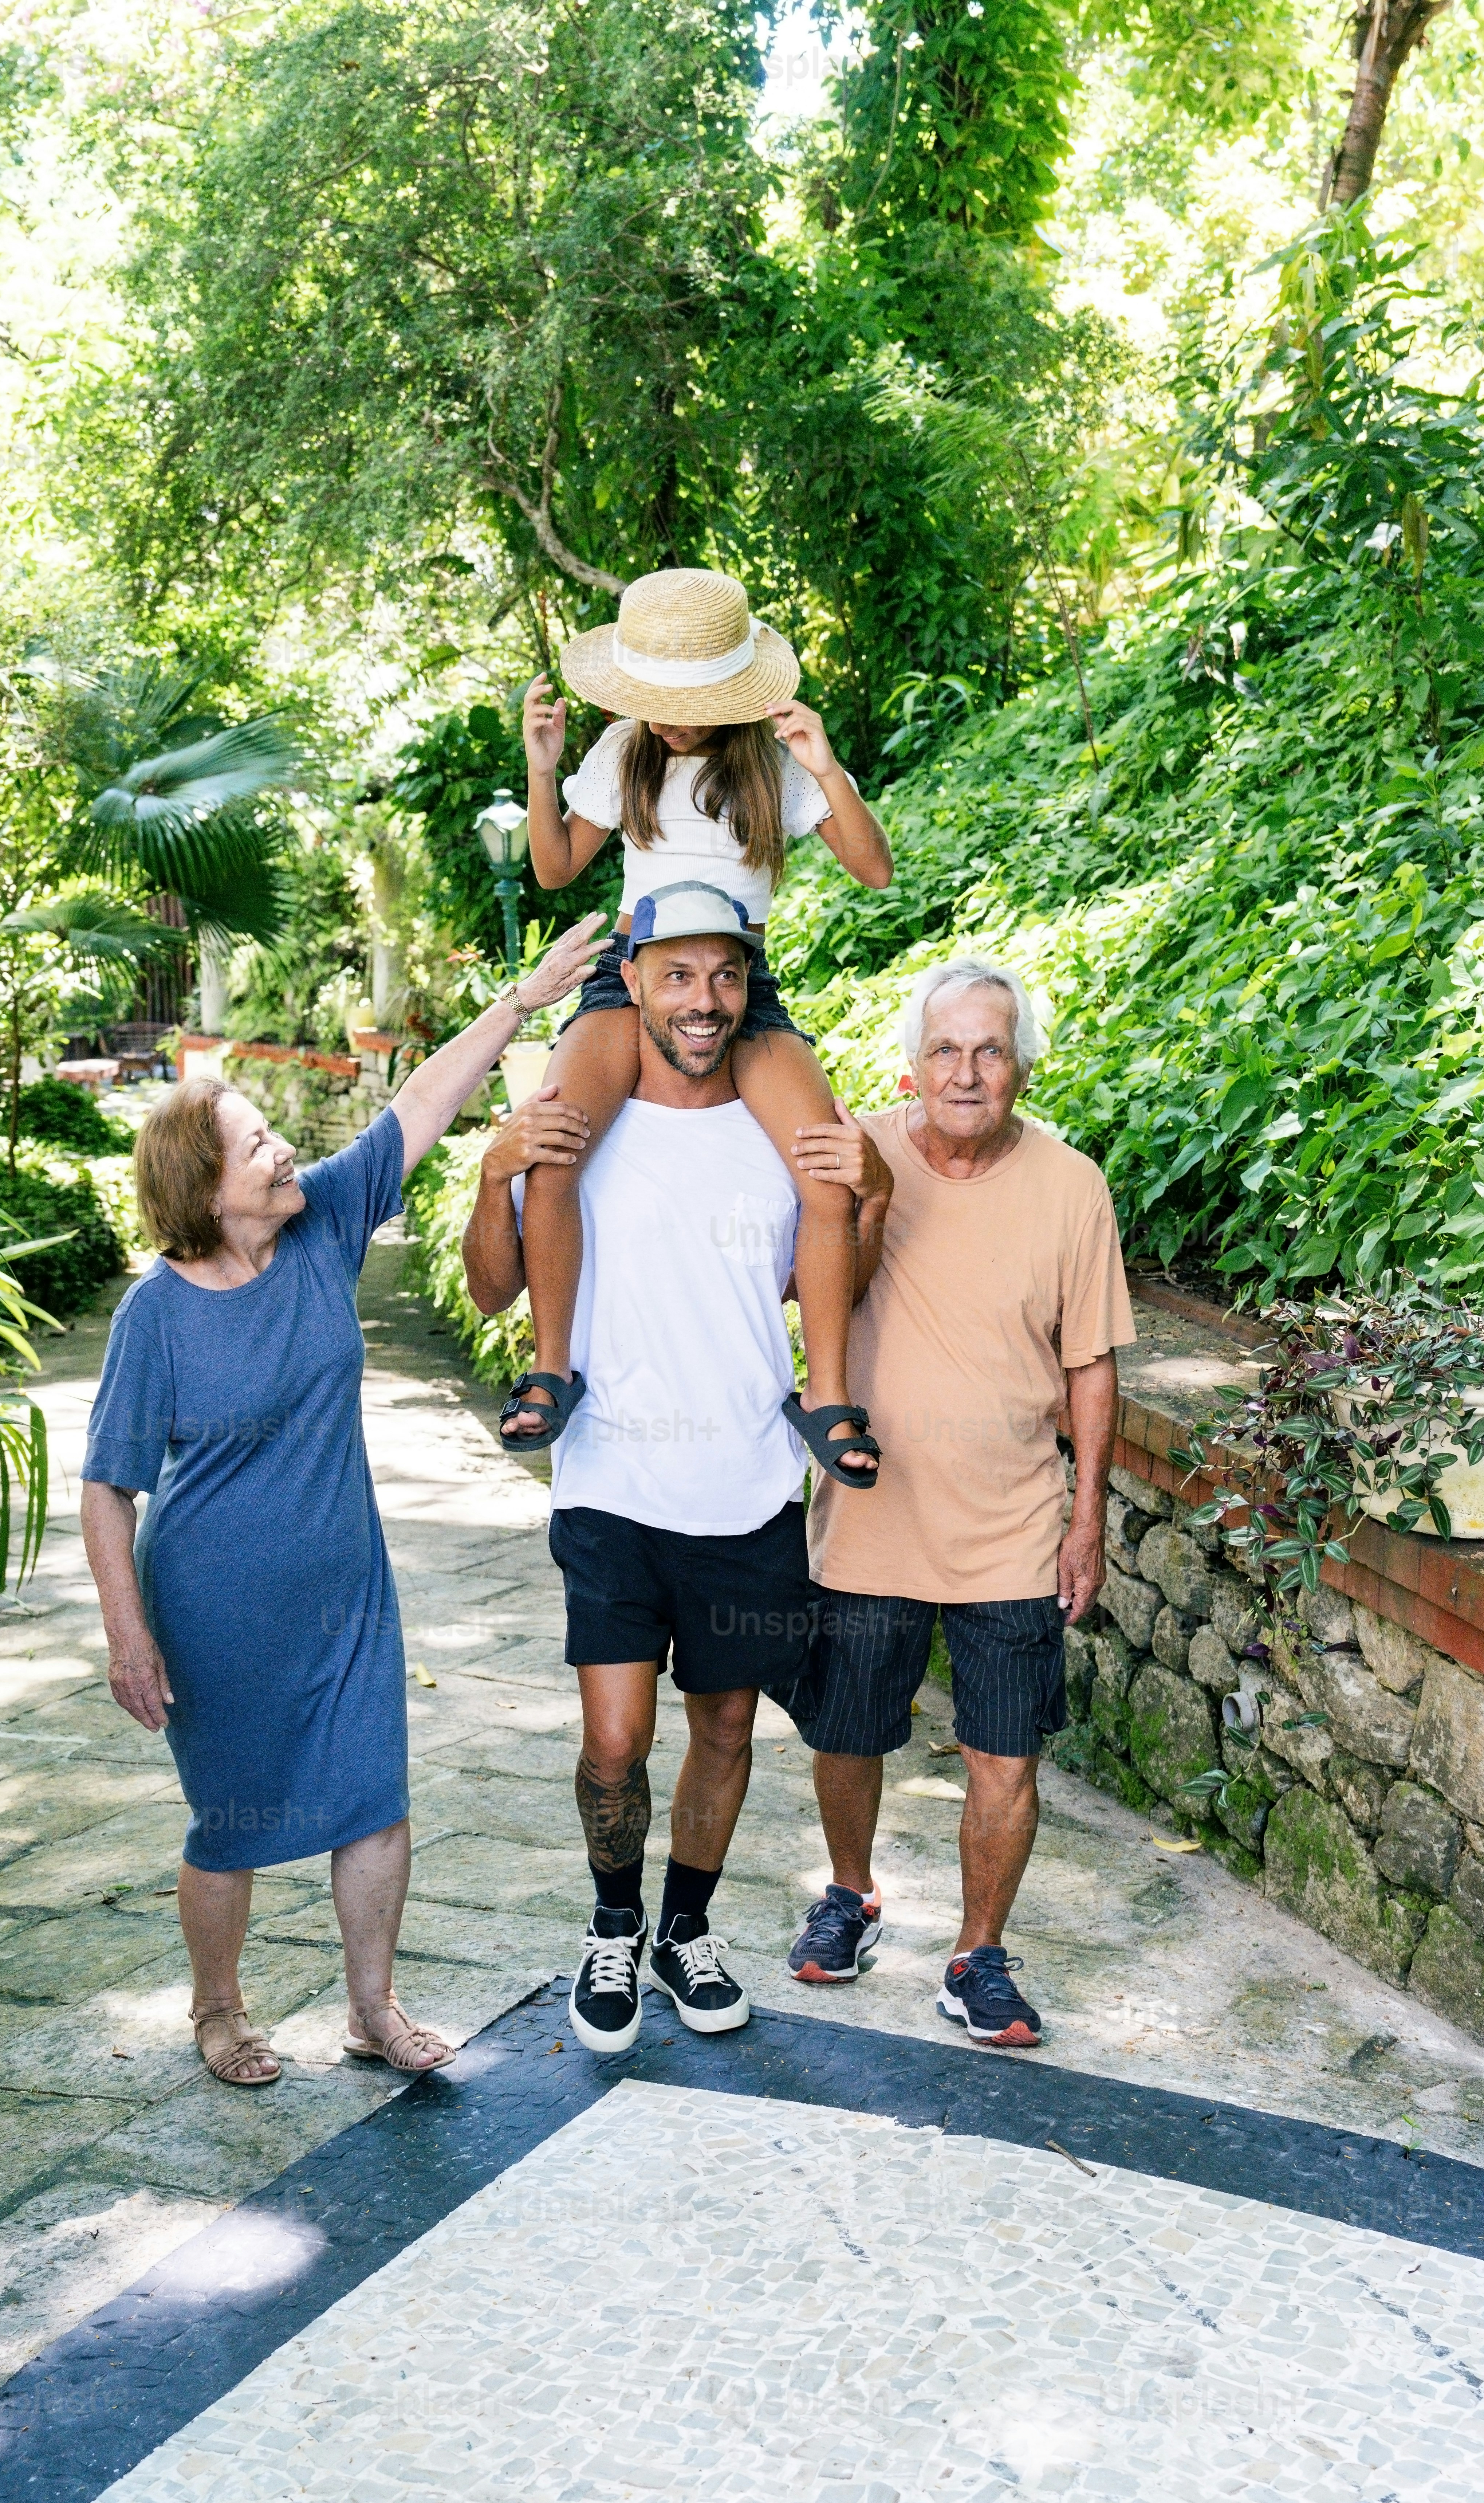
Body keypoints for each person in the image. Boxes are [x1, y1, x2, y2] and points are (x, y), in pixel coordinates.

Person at [79, 913, 605, 2089]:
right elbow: (108, 1490)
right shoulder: (155, 1317)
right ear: (205, 1190)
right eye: (254, 1146)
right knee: (233, 1823)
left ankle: (373, 2009)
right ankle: (219, 2012)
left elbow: (417, 1104)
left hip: (346, 1593)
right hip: (213, 1613)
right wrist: (129, 1633)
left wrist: (520, 1003)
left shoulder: (318, 1228)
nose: (279, 1155)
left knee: (374, 1798)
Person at [463, 883, 885, 2055]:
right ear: (634, 981)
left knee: (727, 1730)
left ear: (749, 992)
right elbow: (491, 1283)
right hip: (608, 1485)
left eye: (727, 979)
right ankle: (611, 1925)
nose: (704, 1003)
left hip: (747, 1483)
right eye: (680, 977)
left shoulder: (773, 1125)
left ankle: (683, 1932)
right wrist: (491, 1165)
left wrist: (877, 1187)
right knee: (613, 1741)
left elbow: (839, 1255)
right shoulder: (577, 1122)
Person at [784, 957, 1134, 2049]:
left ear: (1022, 1065)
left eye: (990, 1049)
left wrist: (1087, 1520)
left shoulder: (1072, 1183)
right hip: (870, 1514)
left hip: (1014, 1529)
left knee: (1006, 1753)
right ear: (913, 1062)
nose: (968, 1070)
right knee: (847, 1733)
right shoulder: (863, 1152)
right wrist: (870, 1197)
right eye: (947, 1049)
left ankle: (978, 1952)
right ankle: (850, 1894)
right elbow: (808, 1290)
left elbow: (1091, 1368)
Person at [502, 564, 893, 1496]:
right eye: (658, 699)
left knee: (826, 1165)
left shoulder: (765, 763)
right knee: (556, 1144)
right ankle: (553, 1366)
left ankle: (826, 1394)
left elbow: (874, 870)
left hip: (738, 983)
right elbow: (556, 871)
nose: (672, 718)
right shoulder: (625, 753)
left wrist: (825, 766)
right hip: (634, 975)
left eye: (691, 700)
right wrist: (544, 765)